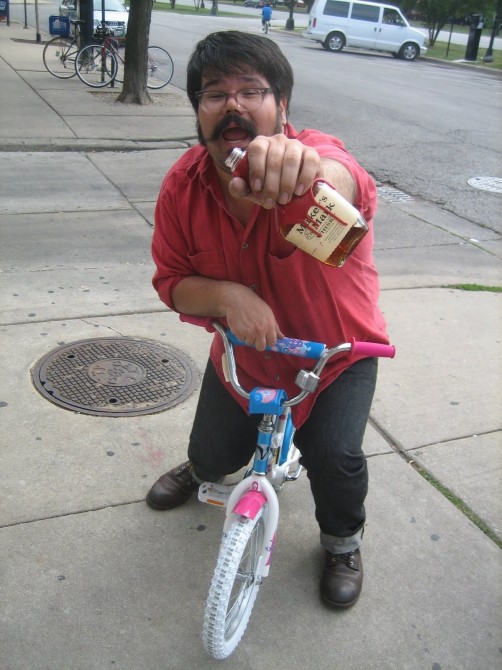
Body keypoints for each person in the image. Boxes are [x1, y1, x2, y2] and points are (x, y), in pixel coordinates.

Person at [147, 30, 389, 610]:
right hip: (244, 355)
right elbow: (171, 280)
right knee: (211, 455)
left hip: (334, 354)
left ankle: (341, 543)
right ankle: (200, 466)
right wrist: (229, 296)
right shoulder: (183, 187)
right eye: (214, 93)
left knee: (335, 456)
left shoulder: (313, 162)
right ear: (198, 111)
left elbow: (348, 181)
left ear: (283, 108)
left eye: (251, 90)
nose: (232, 104)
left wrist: (314, 175)